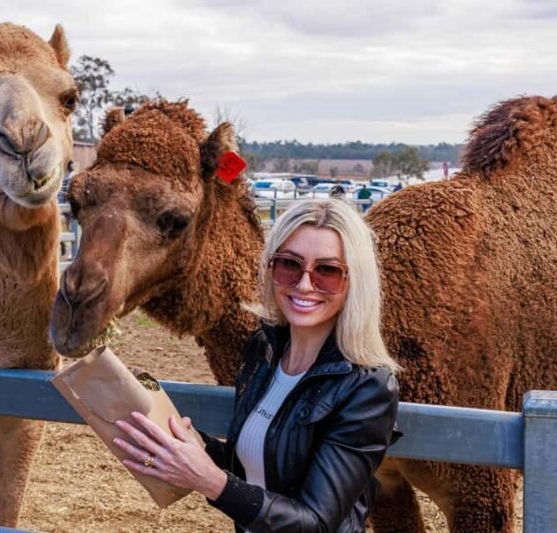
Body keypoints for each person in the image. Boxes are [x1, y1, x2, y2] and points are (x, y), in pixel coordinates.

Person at [113, 199, 400, 532]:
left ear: (354, 283)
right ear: (269, 268)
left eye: (327, 271)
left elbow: (317, 523)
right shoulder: (264, 352)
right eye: (289, 265)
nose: (304, 285)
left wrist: (212, 482)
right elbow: (252, 467)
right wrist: (178, 436)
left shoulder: (368, 387)